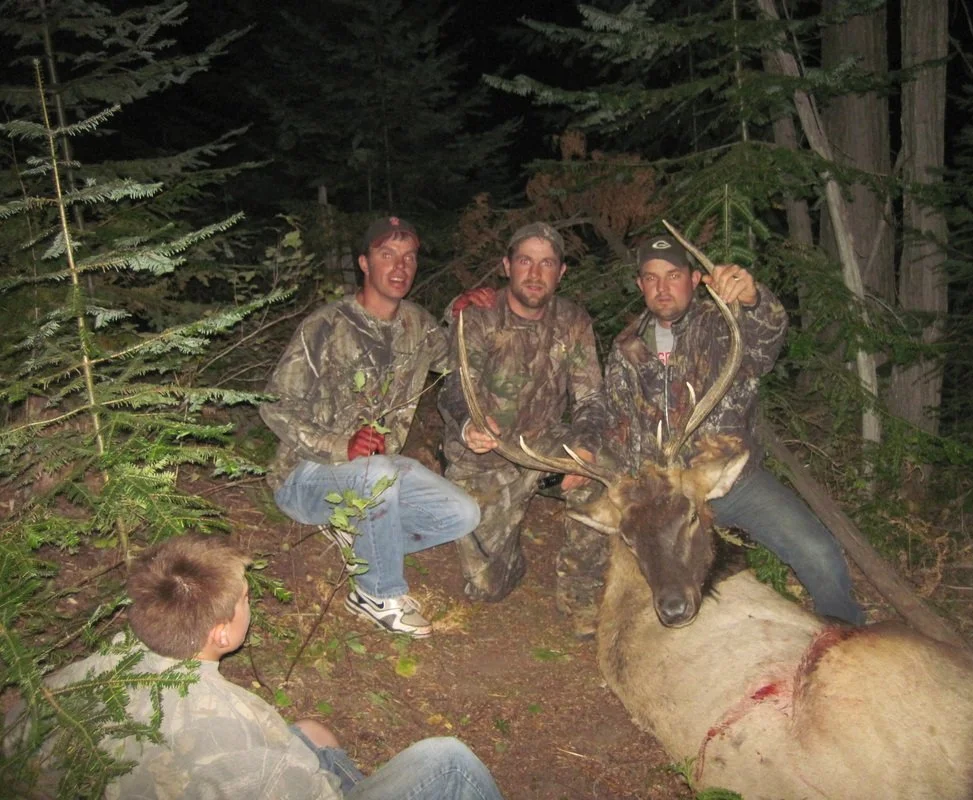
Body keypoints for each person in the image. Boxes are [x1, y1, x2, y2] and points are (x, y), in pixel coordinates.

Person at [16, 536, 505, 799]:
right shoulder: (238, 733)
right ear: (221, 633)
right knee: (447, 761)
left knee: (311, 733)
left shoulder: (81, 677)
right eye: (246, 600)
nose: (253, 605)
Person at [602, 233, 864, 625]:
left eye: (673, 275)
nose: (662, 287)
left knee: (817, 553)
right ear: (640, 284)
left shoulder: (725, 324)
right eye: (651, 278)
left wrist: (752, 297)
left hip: (731, 482)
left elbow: (768, 337)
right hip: (664, 501)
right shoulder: (625, 349)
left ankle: (848, 635)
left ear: (694, 280)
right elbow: (615, 420)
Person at [260, 216, 482, 638]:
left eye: (409, 257)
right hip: (304, 476)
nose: (399, 267)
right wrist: (339, 445)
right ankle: (375, 592)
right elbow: (273, 406)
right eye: (386, 255)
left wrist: (470, 310)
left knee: (463, 513)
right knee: (378, 474)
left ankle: (358, 532)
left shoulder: (417, 326)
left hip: (375, 475)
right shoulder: (325, 326)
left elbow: (459, 360)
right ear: (364, 263)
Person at [437, 222, 610, 638]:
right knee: (487, 587)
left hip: (543, 444)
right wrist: (468, 425)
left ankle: (580, 595)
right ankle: (508, 549)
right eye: (525, 261)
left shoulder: (573, 320)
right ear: (506, 266)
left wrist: (584, 450)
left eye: (547, 263)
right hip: (484, 453)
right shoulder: (476, 316)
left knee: (603, 471)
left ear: (561, 272)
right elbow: (453, 391)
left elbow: (591, 400)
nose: (535, 274)